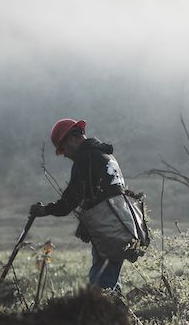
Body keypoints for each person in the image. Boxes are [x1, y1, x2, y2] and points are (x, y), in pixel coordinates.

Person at [30, 118, 128, 292]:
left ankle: (103, 315)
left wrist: (45, 210)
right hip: (121, 224)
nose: (66, 155)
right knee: (110, 278)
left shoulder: (86, 158)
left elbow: (69, 201)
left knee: (101, 282)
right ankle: (116, 314)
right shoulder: (105, 156)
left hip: (108, 228)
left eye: (64, 150)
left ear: (71, 139)